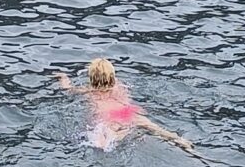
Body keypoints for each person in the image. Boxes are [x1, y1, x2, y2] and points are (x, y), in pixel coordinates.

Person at [54, 58, 194, 155]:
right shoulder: (120, 86)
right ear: (113, 77)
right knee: (155, 128)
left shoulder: (88, 91)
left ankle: (110, 143)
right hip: (128, 113)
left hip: (107, 117)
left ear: (91, 78)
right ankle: (179, 141)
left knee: (103, 143)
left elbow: (68, 89)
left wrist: (63, 77)